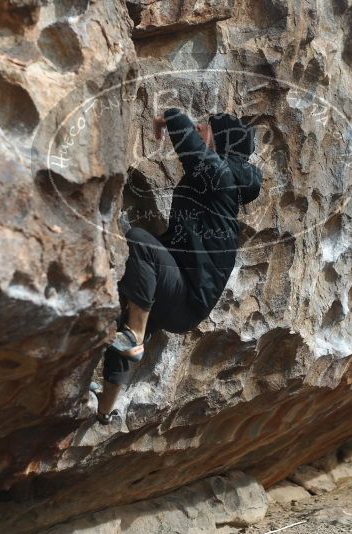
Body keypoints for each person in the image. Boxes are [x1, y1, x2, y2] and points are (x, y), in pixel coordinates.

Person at [93, 108, 262, 424]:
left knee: (140, 241)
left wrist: (169, 115)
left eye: (207, 127)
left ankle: (135, 334)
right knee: (125, 322)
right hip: (182, 295)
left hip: (186, 294)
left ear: (221, 141)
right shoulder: (220, 181)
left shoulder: (220, 176)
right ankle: (104, 411)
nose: (200, 128)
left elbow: (187, 138)